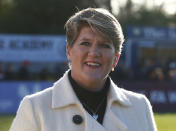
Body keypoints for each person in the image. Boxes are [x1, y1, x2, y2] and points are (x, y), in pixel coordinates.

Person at [10, 8, 157, 131]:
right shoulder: (35, 108)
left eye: (104, 45)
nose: (94, 52)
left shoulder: (140, 107)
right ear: (68, 51)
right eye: (85, 43)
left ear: (116, 59)